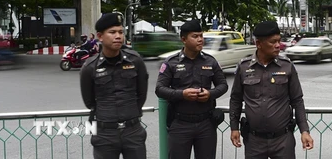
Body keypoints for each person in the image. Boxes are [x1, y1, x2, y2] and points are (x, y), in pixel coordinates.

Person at [229, 20, 314, 159]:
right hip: (254, 141)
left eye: (278, 41)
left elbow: (297, 100)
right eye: (272, 42)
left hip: (283, 141)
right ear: (258, 44)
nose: (277, 46)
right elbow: (236, 99)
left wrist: (304, 131)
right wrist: (234, 128)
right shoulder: (244, 67)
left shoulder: (287, 66)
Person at [155, 19, 228, 159]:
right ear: (183, 39)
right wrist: (182, 94)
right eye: (195, 36)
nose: (200, 40)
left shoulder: (210, 61)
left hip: (206, 124)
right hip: (180, 124)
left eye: (201, 36)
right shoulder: (171, 63)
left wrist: (210, 94)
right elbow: (159, 89)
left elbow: (223, 85)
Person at [80, 13, 149, 159]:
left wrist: (130, 113)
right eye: (112, 32)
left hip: (133, 131)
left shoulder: (135, 61)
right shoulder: (89, 67)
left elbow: (141, 94)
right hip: (105, 134)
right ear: (100, 36)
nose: (118, 36)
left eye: (121, 32)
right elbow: (89, 101)